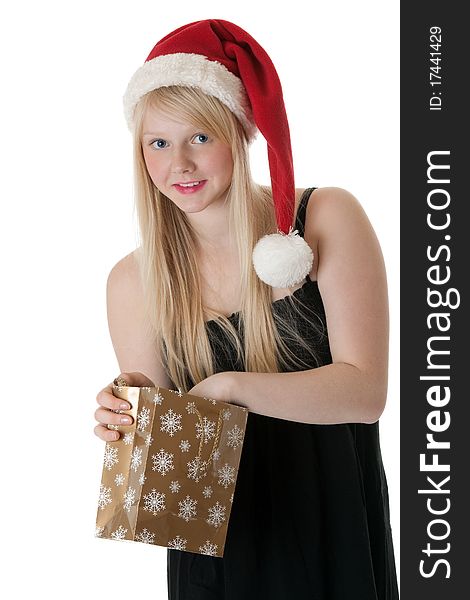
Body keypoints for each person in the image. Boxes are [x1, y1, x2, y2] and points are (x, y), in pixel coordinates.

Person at [93, 18, 399, 600]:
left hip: (334, 535)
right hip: (216, 561)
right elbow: (167, 458)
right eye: (158, 143)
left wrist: (233, 387)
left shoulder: (325, 219)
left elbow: (366, 393)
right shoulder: (132, 281)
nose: (178, 164)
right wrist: (129, 406)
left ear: (238, 132)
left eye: (200, 138)